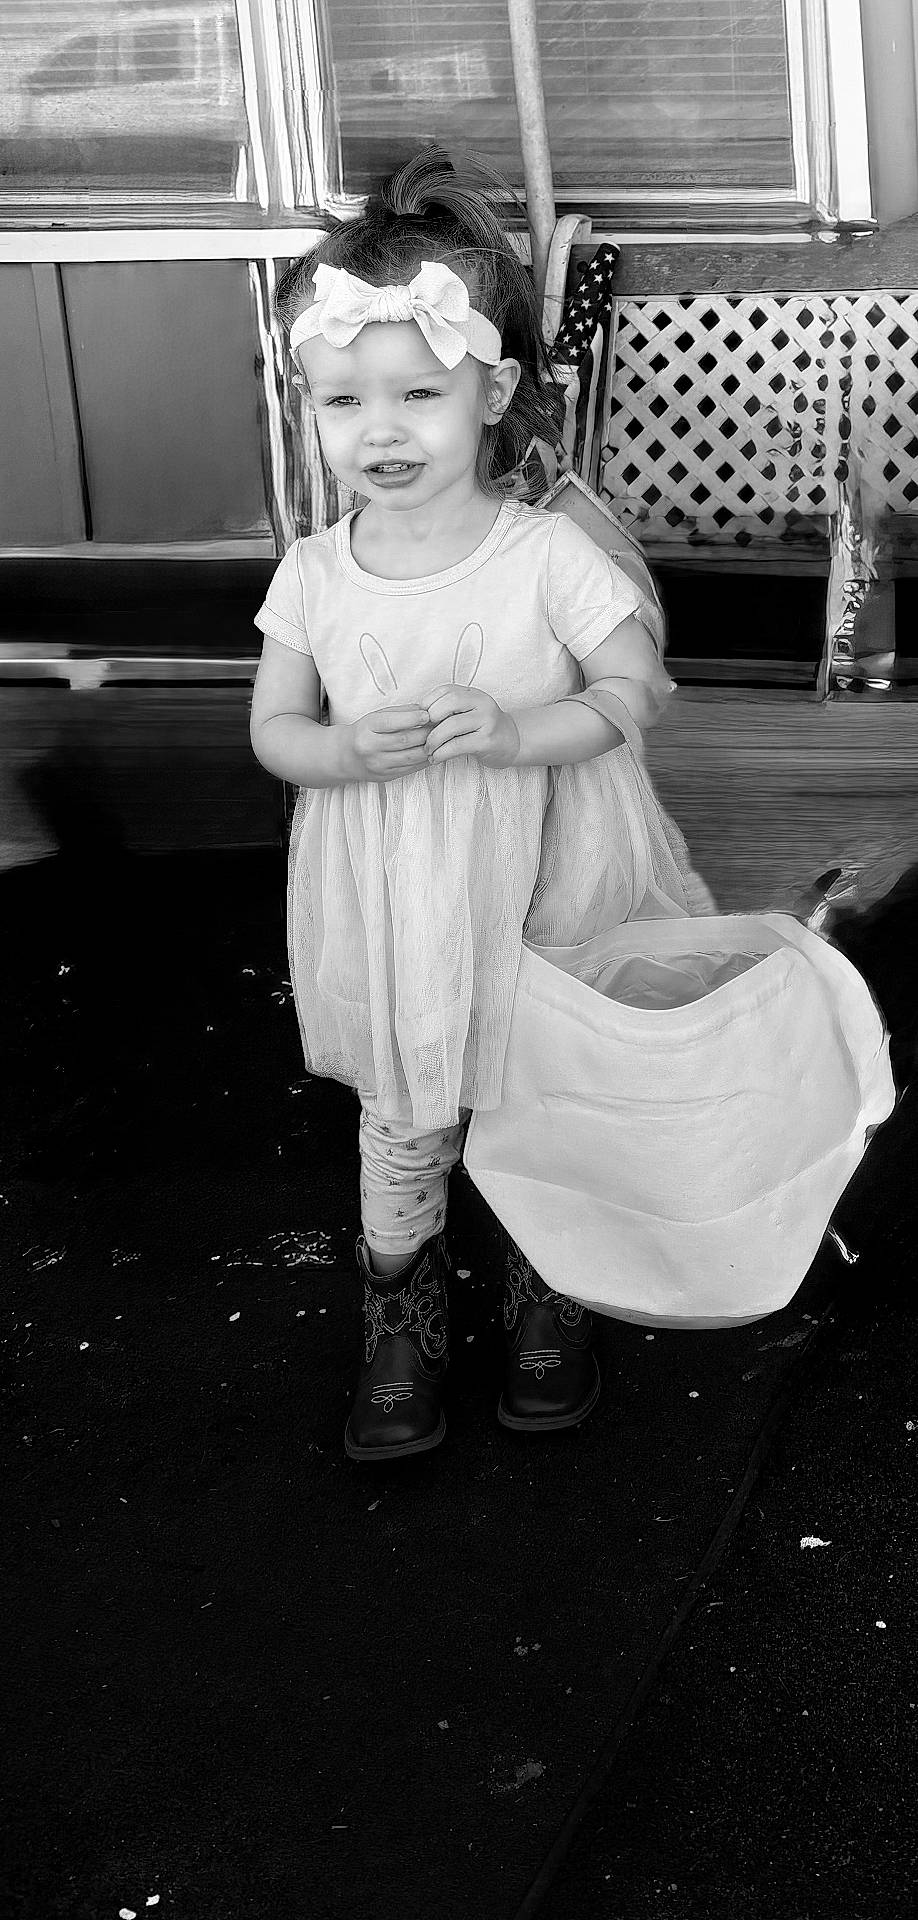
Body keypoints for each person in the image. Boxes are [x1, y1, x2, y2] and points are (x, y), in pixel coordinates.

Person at [250, 149, 708, 1463]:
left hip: (535, 872)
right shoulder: (317, 574)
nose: (376, 430)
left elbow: (630, 688)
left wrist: (516, 729)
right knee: (406, 1107)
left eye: (414, 394)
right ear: (311, 406)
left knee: (533, 1093)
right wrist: (342, 755)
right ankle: (399, 1317)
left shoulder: (544, 552)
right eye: (342, 400)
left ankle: (546, 1288)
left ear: (490, 391)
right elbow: (275, 732)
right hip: (393, 890)